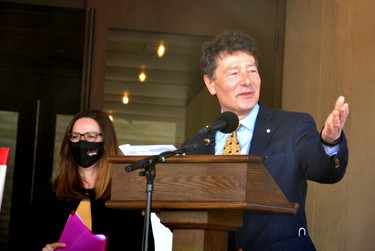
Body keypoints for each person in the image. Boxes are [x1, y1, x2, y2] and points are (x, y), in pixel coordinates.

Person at [182, 30, 349, 251]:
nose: (247, 81)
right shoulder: (197, 145)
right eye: (234, 73)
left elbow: (325, 171)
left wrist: (329, 142)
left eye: (252, 70)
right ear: (210, 83)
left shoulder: (293, 126)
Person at [28, 110, 154, 251]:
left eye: (91, 136)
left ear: (106, 142)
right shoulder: (50, 195)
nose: (82, 142)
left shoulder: (126, 199)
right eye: (75, 136)